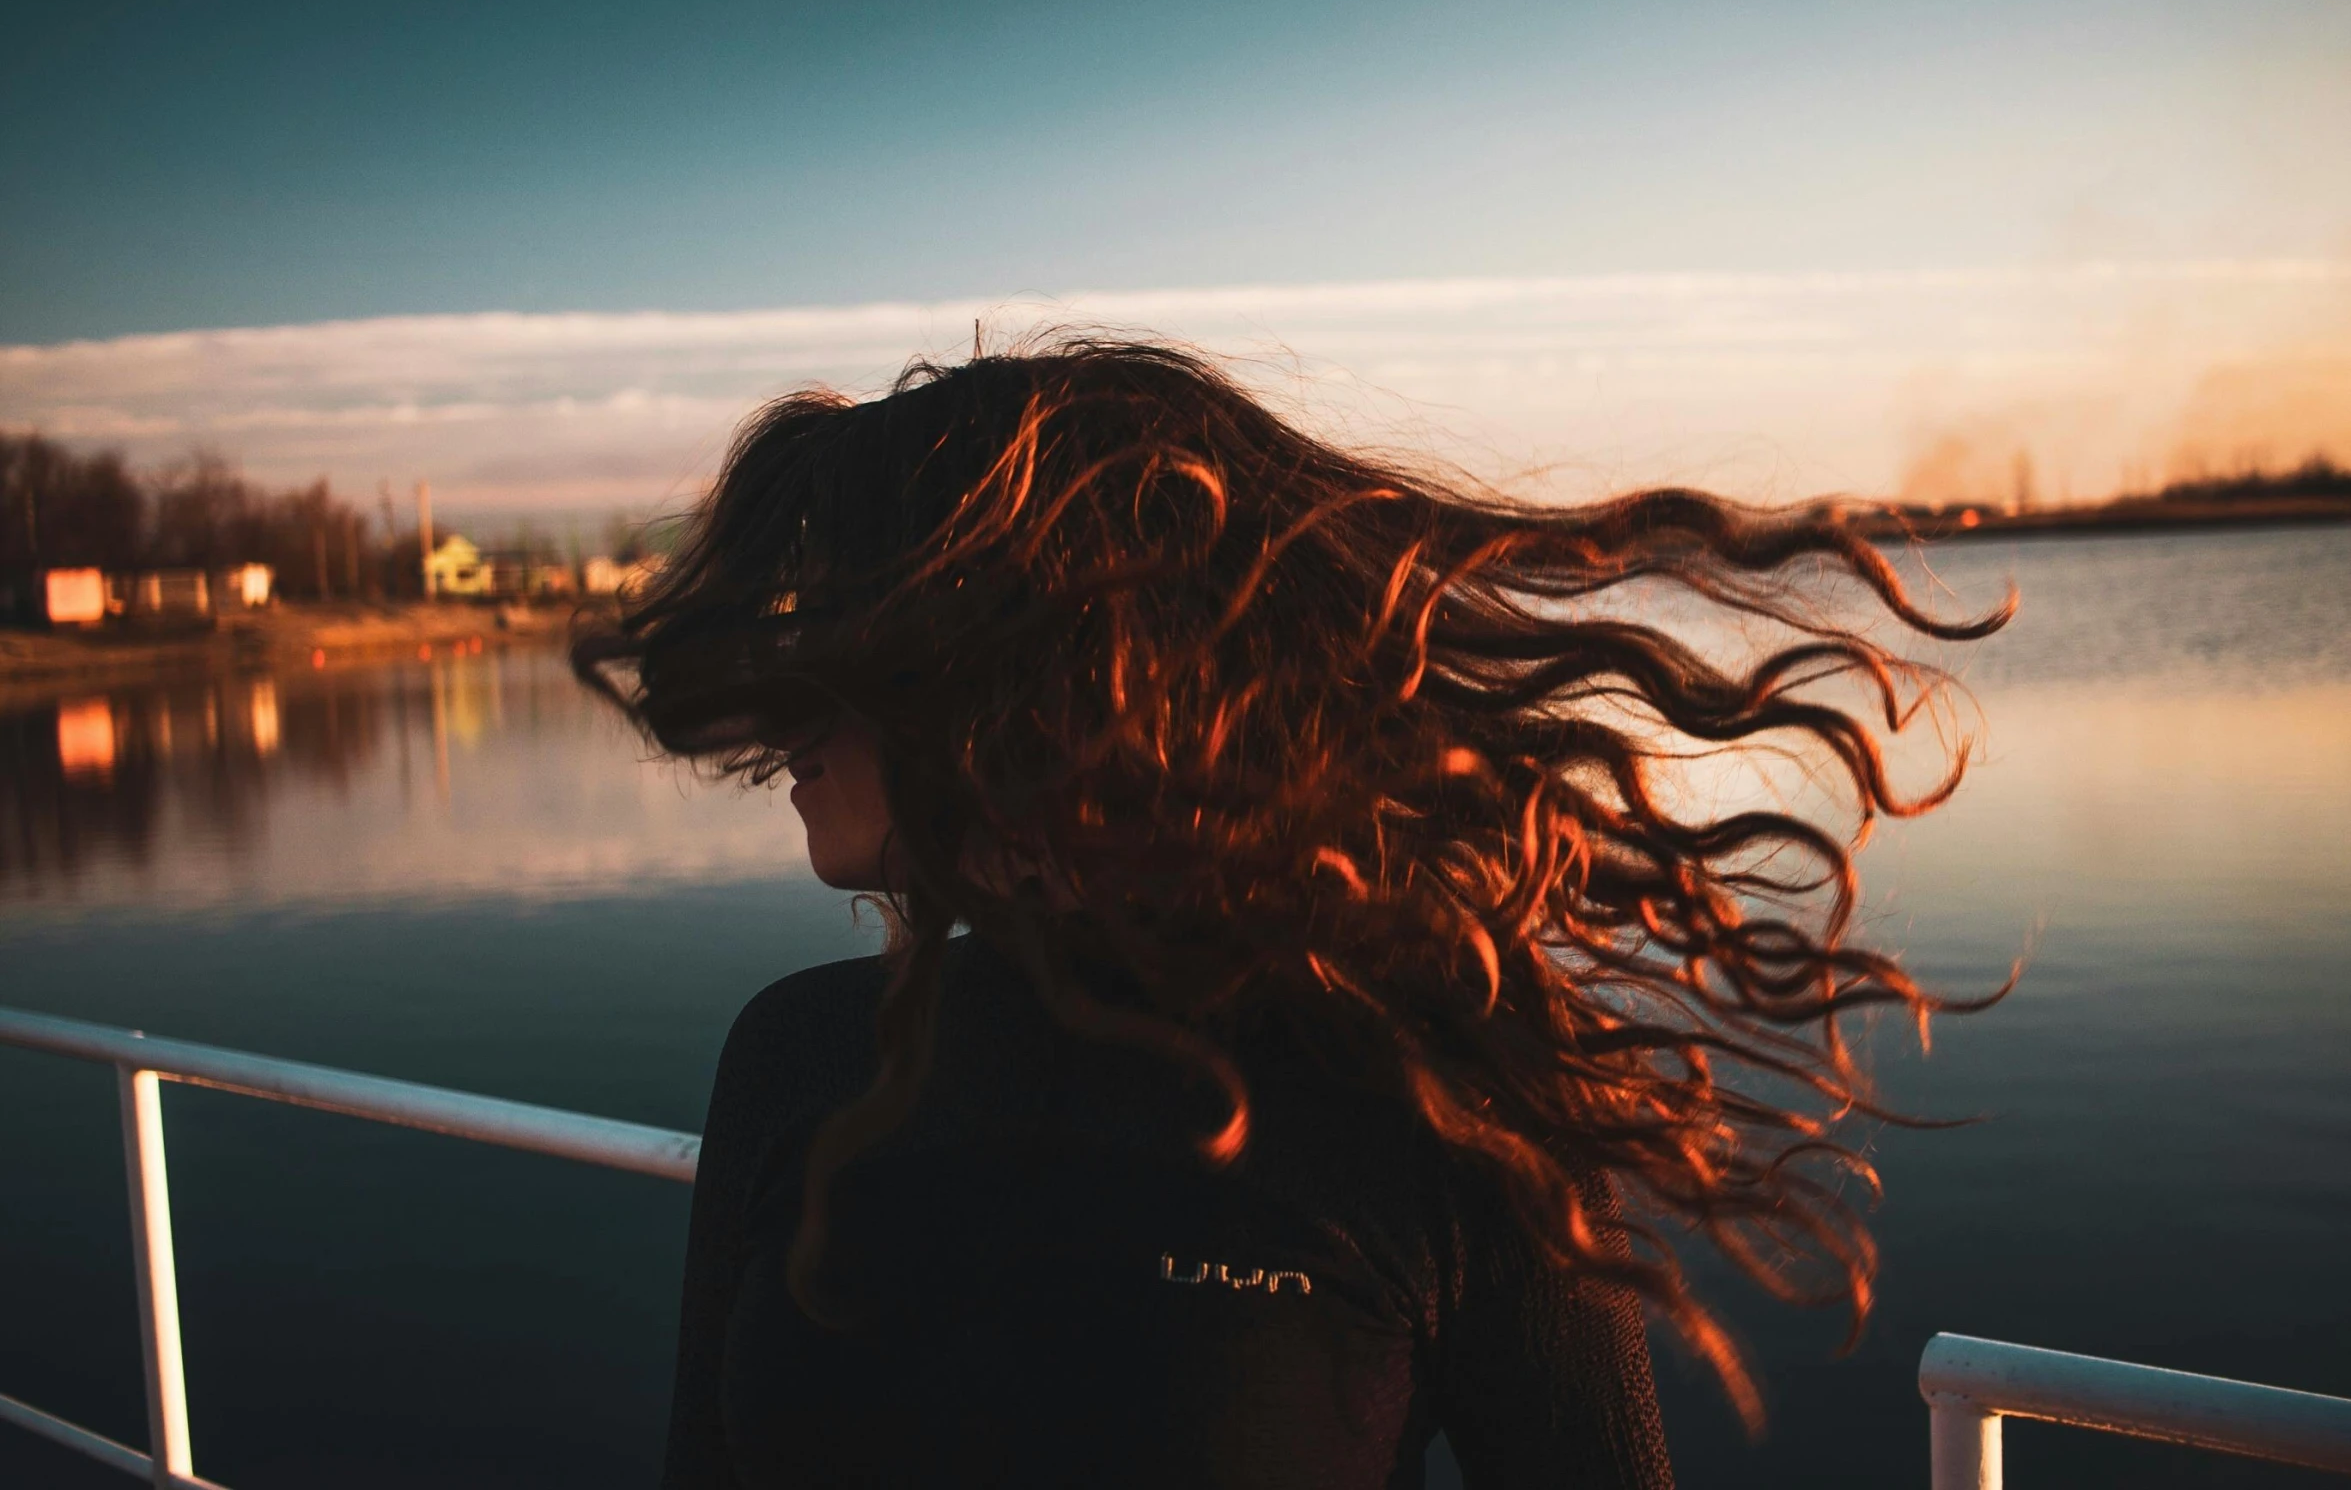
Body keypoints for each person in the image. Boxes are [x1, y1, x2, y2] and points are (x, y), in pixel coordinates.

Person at [574, 336, 2007, 1489]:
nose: (777, 719)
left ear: (1026, 682)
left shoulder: (1431, 1082)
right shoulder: (796, 1056)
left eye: (833, 649)